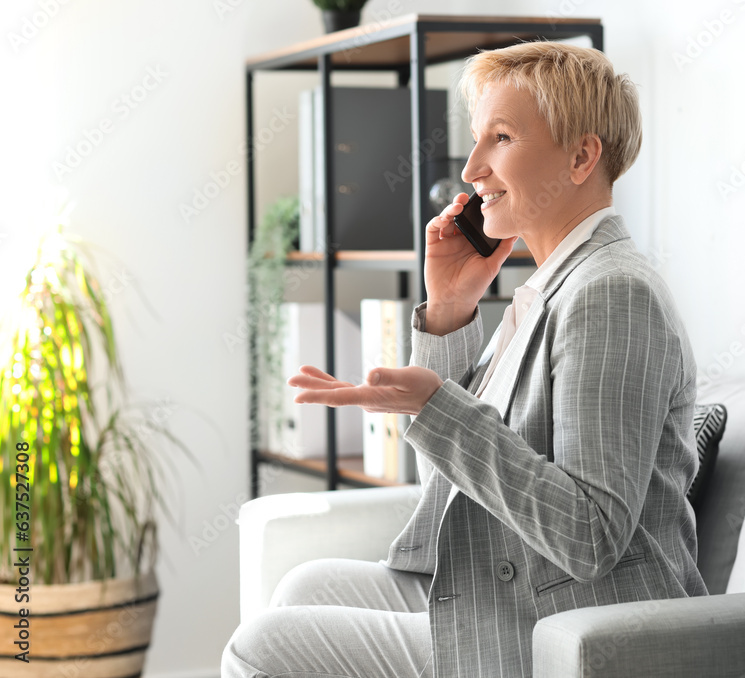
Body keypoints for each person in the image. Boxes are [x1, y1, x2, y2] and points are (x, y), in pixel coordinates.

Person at [222, 40, 706, 678]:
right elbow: (461, 490)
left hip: (576, 625)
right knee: (307, 585)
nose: (472, 167)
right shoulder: (549, 288)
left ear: (583, 155)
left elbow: (589, 536)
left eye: (500, 138)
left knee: (263, 646)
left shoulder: (611, 293)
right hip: (522, 589)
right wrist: (448, 310)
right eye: (477, 139)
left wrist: (436, 408)